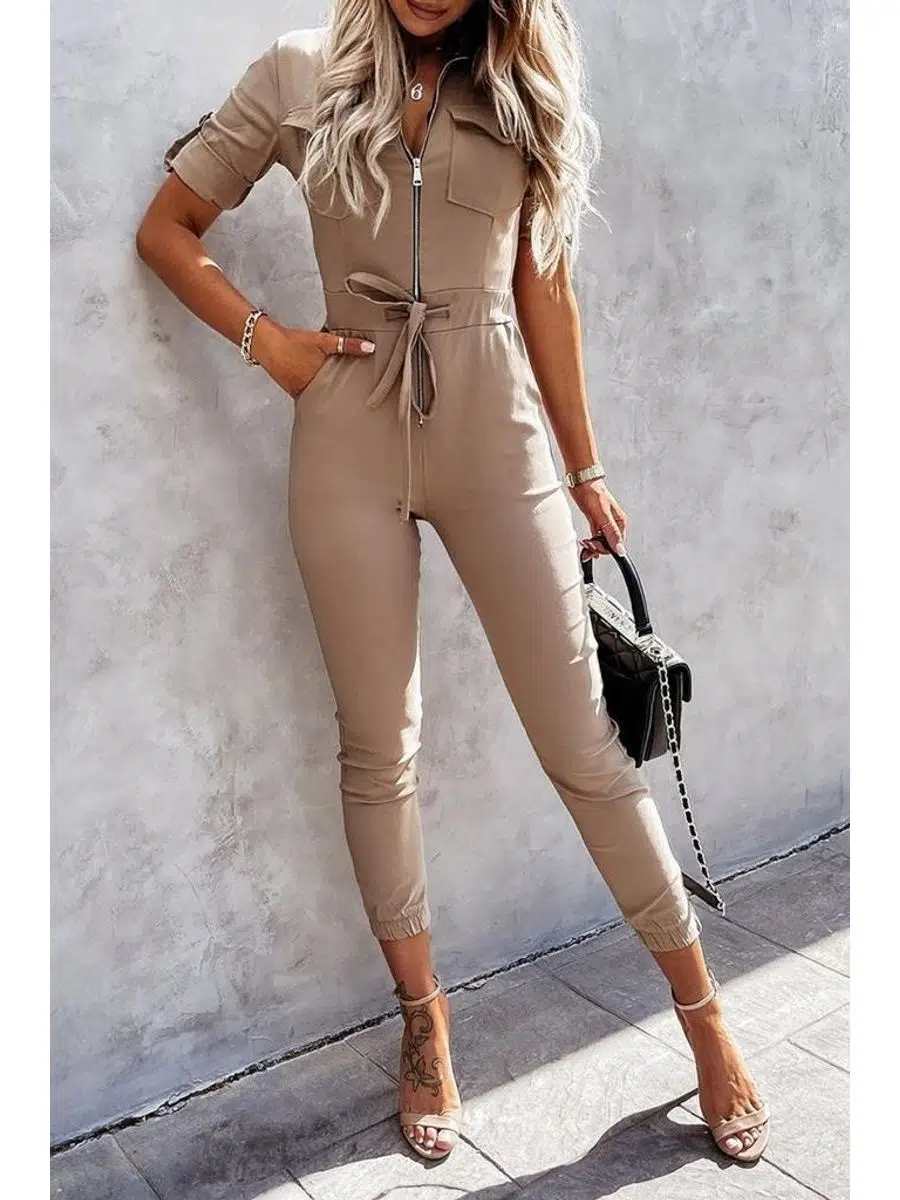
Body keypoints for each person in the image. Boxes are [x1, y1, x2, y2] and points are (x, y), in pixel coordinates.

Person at [135, 0, 769, 1167]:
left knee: (585, 745)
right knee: (380, 746)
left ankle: (703, 1014)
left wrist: (585, 469)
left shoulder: (525, 92)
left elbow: (545, 289)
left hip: (495, 435)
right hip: (347, 437)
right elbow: (169, 227)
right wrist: (271, 344)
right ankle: (425, 1020)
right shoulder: (298, 71)